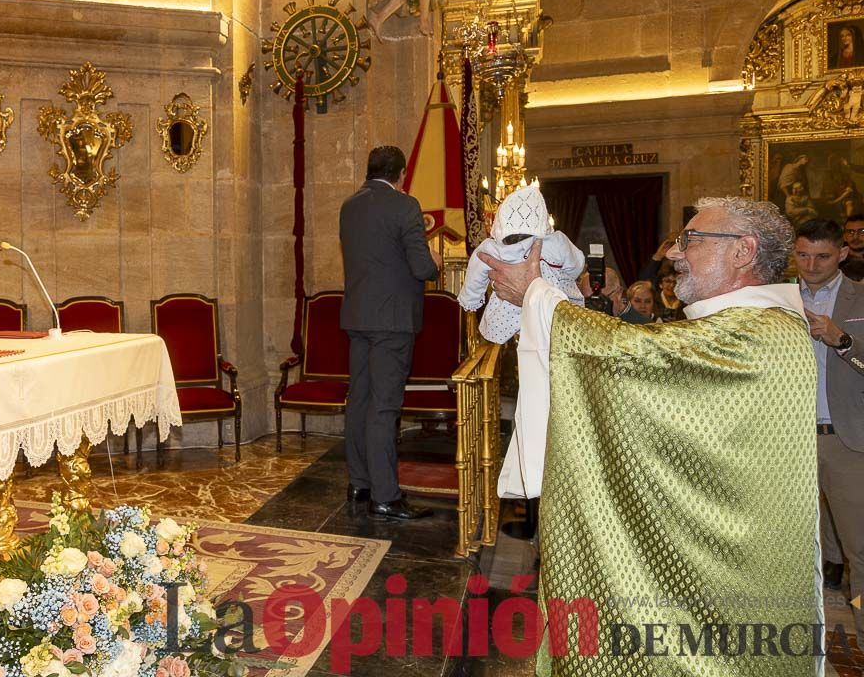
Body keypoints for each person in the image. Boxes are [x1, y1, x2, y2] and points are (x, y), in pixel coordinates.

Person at [481, 197, 819, 674]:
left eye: (691, 241)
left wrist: (536, 295)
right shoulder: (751, 323)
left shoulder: (754, 331)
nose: (676, 253)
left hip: (722, 577)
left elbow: (639, 356)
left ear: (743, 251)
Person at [339, 145, 441, 521]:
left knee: (360, 402)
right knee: (384, 407)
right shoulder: (404, 205)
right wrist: (436, 263)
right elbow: (420, 267)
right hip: (392, 322)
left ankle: (360, 483)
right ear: (400, 174)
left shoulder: (349, 206)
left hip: (357, 318)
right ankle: (385, 496)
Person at [794, 218, 864, 647]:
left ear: (842, 253)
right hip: (787, 441)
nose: (811, 265)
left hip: (847, 440)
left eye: (822, 256)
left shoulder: (861, 299)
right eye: (803, 255)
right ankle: (790, 648)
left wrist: (843, 341)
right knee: (790, 552)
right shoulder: (777, 301)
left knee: (860, 552)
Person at [458, 184, 584, 344]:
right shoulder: (556, 241)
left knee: (510, 351)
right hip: (553, 308)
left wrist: (471, 299)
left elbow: (476, 270)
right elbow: (577, 262)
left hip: (507, 311)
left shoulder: (493, 247)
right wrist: (567, 276)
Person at [842, 213, 864, 281]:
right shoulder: (836, 262)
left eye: (862, 231)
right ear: (844, 236)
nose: (855, 237)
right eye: (850, 232)